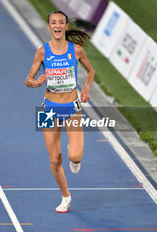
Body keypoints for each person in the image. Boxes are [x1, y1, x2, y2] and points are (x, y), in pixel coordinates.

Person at [25, 10, 95, 213]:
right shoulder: (42, 52)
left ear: (65, 26)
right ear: (49, 27)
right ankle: (66, 196)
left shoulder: (77, 50)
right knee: (55, 159)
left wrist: (87, 89)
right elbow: (28, 80)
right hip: (48, 108)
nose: (57, 25)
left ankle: (74, 153)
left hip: (72, 107)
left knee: (74, 157)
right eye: (53, 22)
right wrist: (35, 82)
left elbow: (91, 71)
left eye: (61, 22)